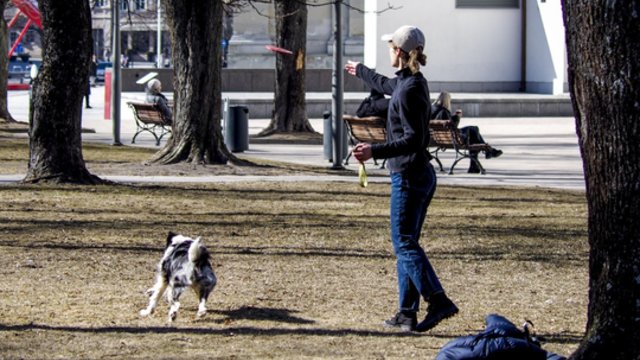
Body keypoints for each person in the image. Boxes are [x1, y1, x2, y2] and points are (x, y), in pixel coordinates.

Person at [345, 25, 458, 333]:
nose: (388, 51)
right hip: (417, 174)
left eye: (390, 46)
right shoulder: (409, 82)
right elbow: (383, 83)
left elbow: (414, 139)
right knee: (407, 244)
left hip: (409, 175)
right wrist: (361, 71)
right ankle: (407, 312)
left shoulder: (408, 91)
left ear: (398, 51)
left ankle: (438, 300)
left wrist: (374, 151)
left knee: (404, 243)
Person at [431, 91, 503, 173]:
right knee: (474, 130)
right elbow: (453, 127)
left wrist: (454, 117)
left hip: (439, 139)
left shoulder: (431, 110)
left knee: (473, 133)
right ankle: (487, 152)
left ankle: (486, 154)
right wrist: (457, 117)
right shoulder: (444, 111)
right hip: (452, 139)